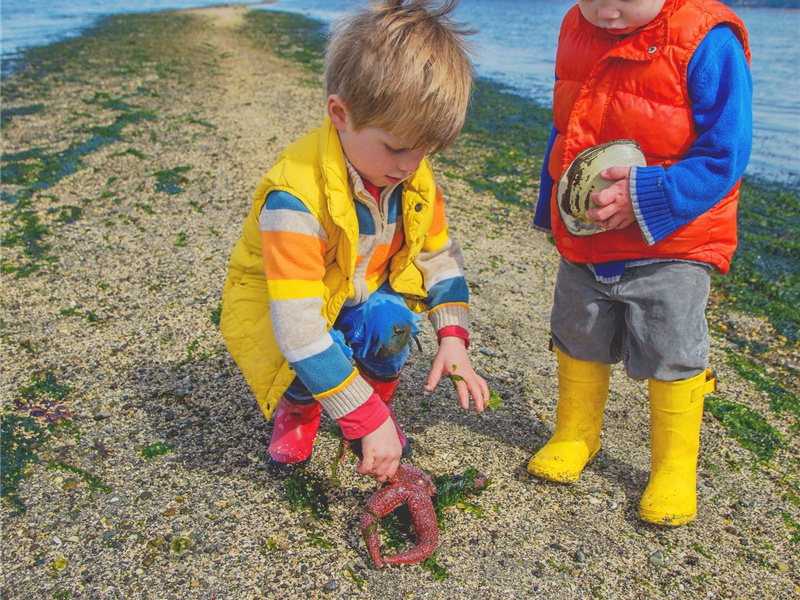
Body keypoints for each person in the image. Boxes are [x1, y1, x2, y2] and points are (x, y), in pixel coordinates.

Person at [220, 0, 489, 484]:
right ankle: (301, 411)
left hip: (361, 292)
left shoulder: (413, 176)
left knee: (394, 321)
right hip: (288, 308)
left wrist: (453, 337)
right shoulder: (295, 199)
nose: (412, 164)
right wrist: (362, 418)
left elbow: (438, 256)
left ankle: (375, 407)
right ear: (340, 114)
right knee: (309, 350)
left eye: (425, 149)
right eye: (397, 147)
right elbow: (299, 330)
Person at [528, 0, 752, 526]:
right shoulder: (574, 25)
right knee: (577, 330)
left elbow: (727, 152)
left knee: (671, 347)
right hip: (587, 236)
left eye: (623, 1)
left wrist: (648, 196)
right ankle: (575, 435)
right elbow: (568, 127)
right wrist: (552, 206)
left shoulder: (706, 39)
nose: (605, 13)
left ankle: (674, 468)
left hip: (671, 241)